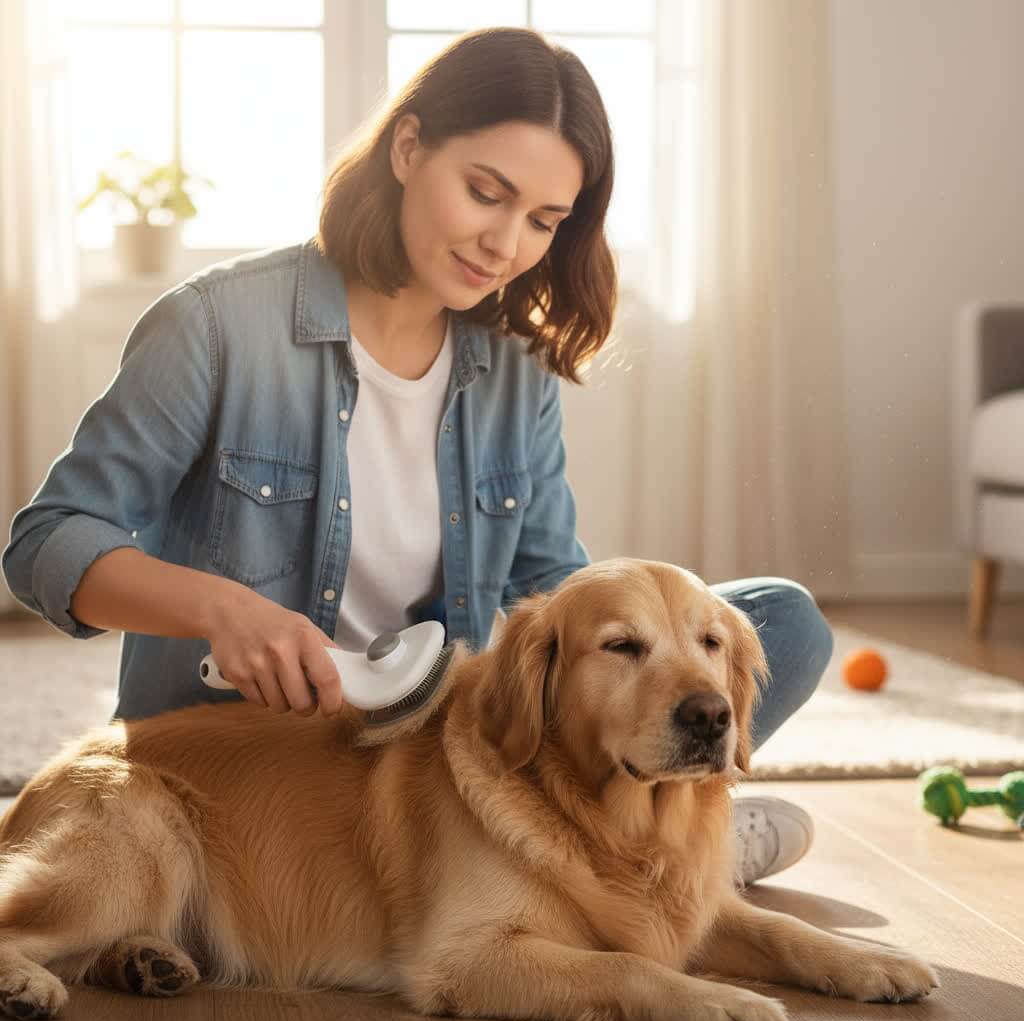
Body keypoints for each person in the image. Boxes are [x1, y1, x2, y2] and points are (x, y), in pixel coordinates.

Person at [2, 27, 830, 887]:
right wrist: (224, 610)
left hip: (434, 757)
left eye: (542, 221)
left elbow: (551, 592)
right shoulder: (215, 327)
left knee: (779, 622)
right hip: (248, 765)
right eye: (485, 193)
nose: (504, 244)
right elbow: (48, 542)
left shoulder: (514, 369)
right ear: (406, 148)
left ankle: (662, 846)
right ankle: (679, 863)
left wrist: (648, 645)